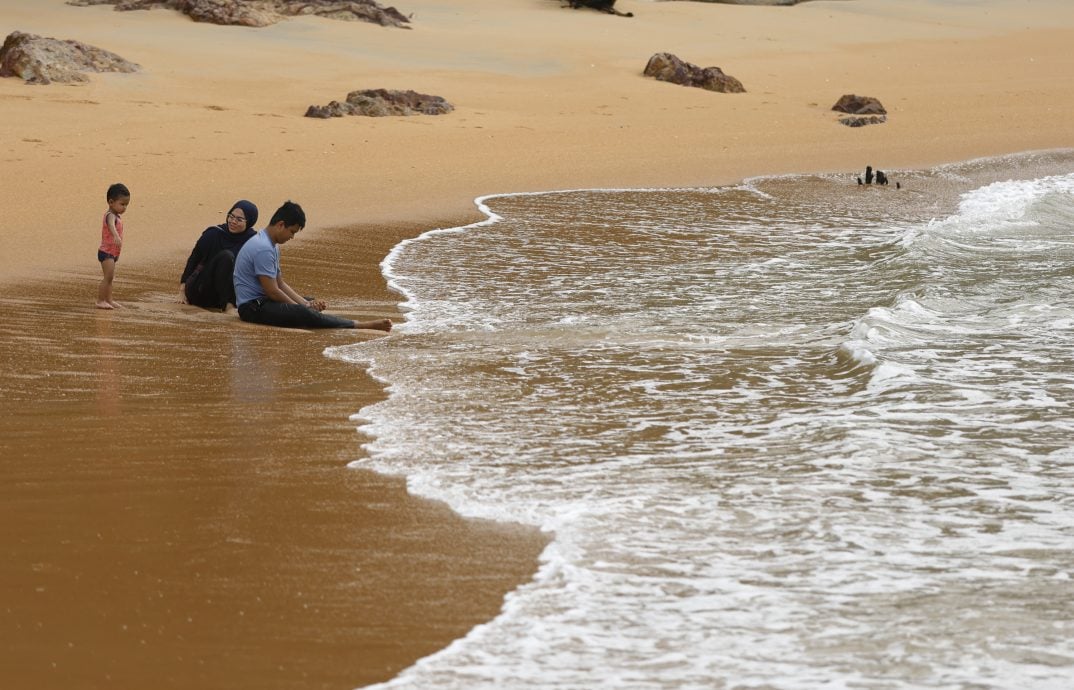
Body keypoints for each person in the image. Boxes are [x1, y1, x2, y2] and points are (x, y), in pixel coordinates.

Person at [233, 201, 392, 331]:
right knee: (303, 311)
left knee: (308, 301)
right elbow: (273, 291)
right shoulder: (263, 248)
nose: (292, 237)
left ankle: (311, 310)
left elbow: (280, 283)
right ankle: (359, 325)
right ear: (281, 225)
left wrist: (306, 304)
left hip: (263, 302)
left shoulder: (270, 244)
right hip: (252, 309)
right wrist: (303, 309)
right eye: (292, 232)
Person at [179, 200, 259, 311]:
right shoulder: (213, 234)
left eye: (239, 219)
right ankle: (228, 306)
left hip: (231, 293)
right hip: (201, 290)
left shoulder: (253, 241)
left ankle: (231, 302)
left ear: (250, 222)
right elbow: (193, 259)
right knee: (226, 257)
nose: (233, 221)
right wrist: (182, 292)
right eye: (231, 216)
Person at [96, 182, 130, 309]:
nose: (124, 208)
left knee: (110, 278)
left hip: (113, 252)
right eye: (122, 204)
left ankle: (109, 300)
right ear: (111, 202)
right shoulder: (110, 215)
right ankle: (100, 300)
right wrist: (115, 235)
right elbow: (110, 225)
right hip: (106, 252)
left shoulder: (117, 216)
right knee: (107, 277)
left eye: (126, 205)